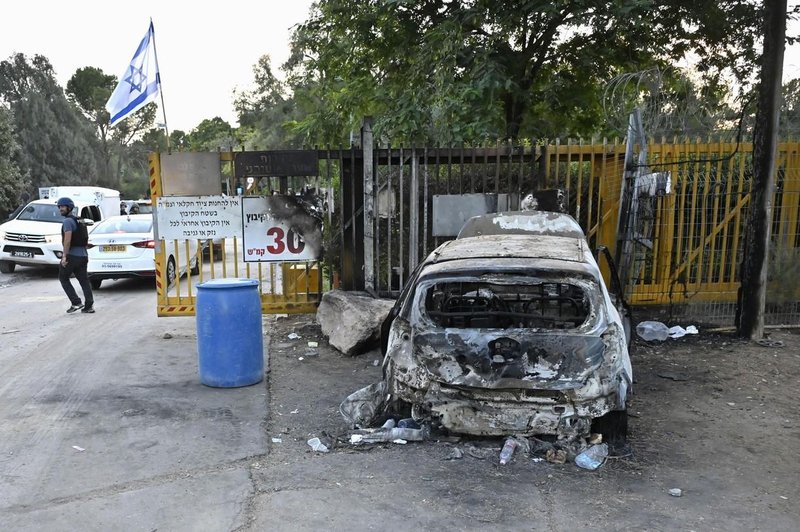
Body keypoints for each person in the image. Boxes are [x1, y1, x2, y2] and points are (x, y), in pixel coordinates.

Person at [57, 197, 94, 314]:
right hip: (83, 255)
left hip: (72, 256)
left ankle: (76, 302)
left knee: (63, 278)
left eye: (62, 207)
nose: (60, 209)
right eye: (59, 207)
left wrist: (64, 256)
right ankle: (89, 306)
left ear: (69, 208)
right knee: (84, 280)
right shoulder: (79, 220)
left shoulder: (67, 221)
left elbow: (67, 241)